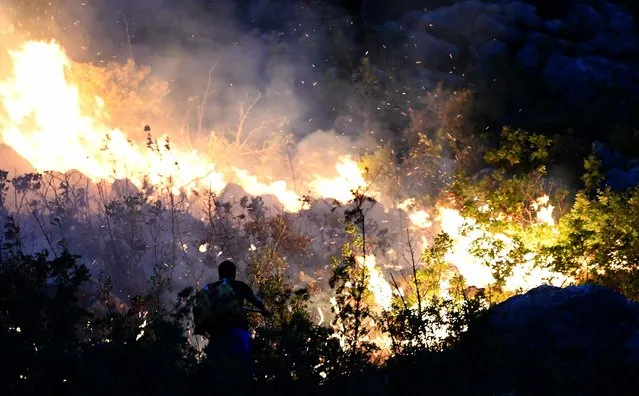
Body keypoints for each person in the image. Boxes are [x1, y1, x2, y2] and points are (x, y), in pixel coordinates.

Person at [193, 260, 271, 376]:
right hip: (238, 332)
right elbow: (258, 302)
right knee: (242, 368)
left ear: (219, 274)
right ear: (234, 273)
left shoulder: (208, 289)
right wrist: (266, 310)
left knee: (217, 370)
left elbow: (199, 311)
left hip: (217, 334)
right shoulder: (239, 286)